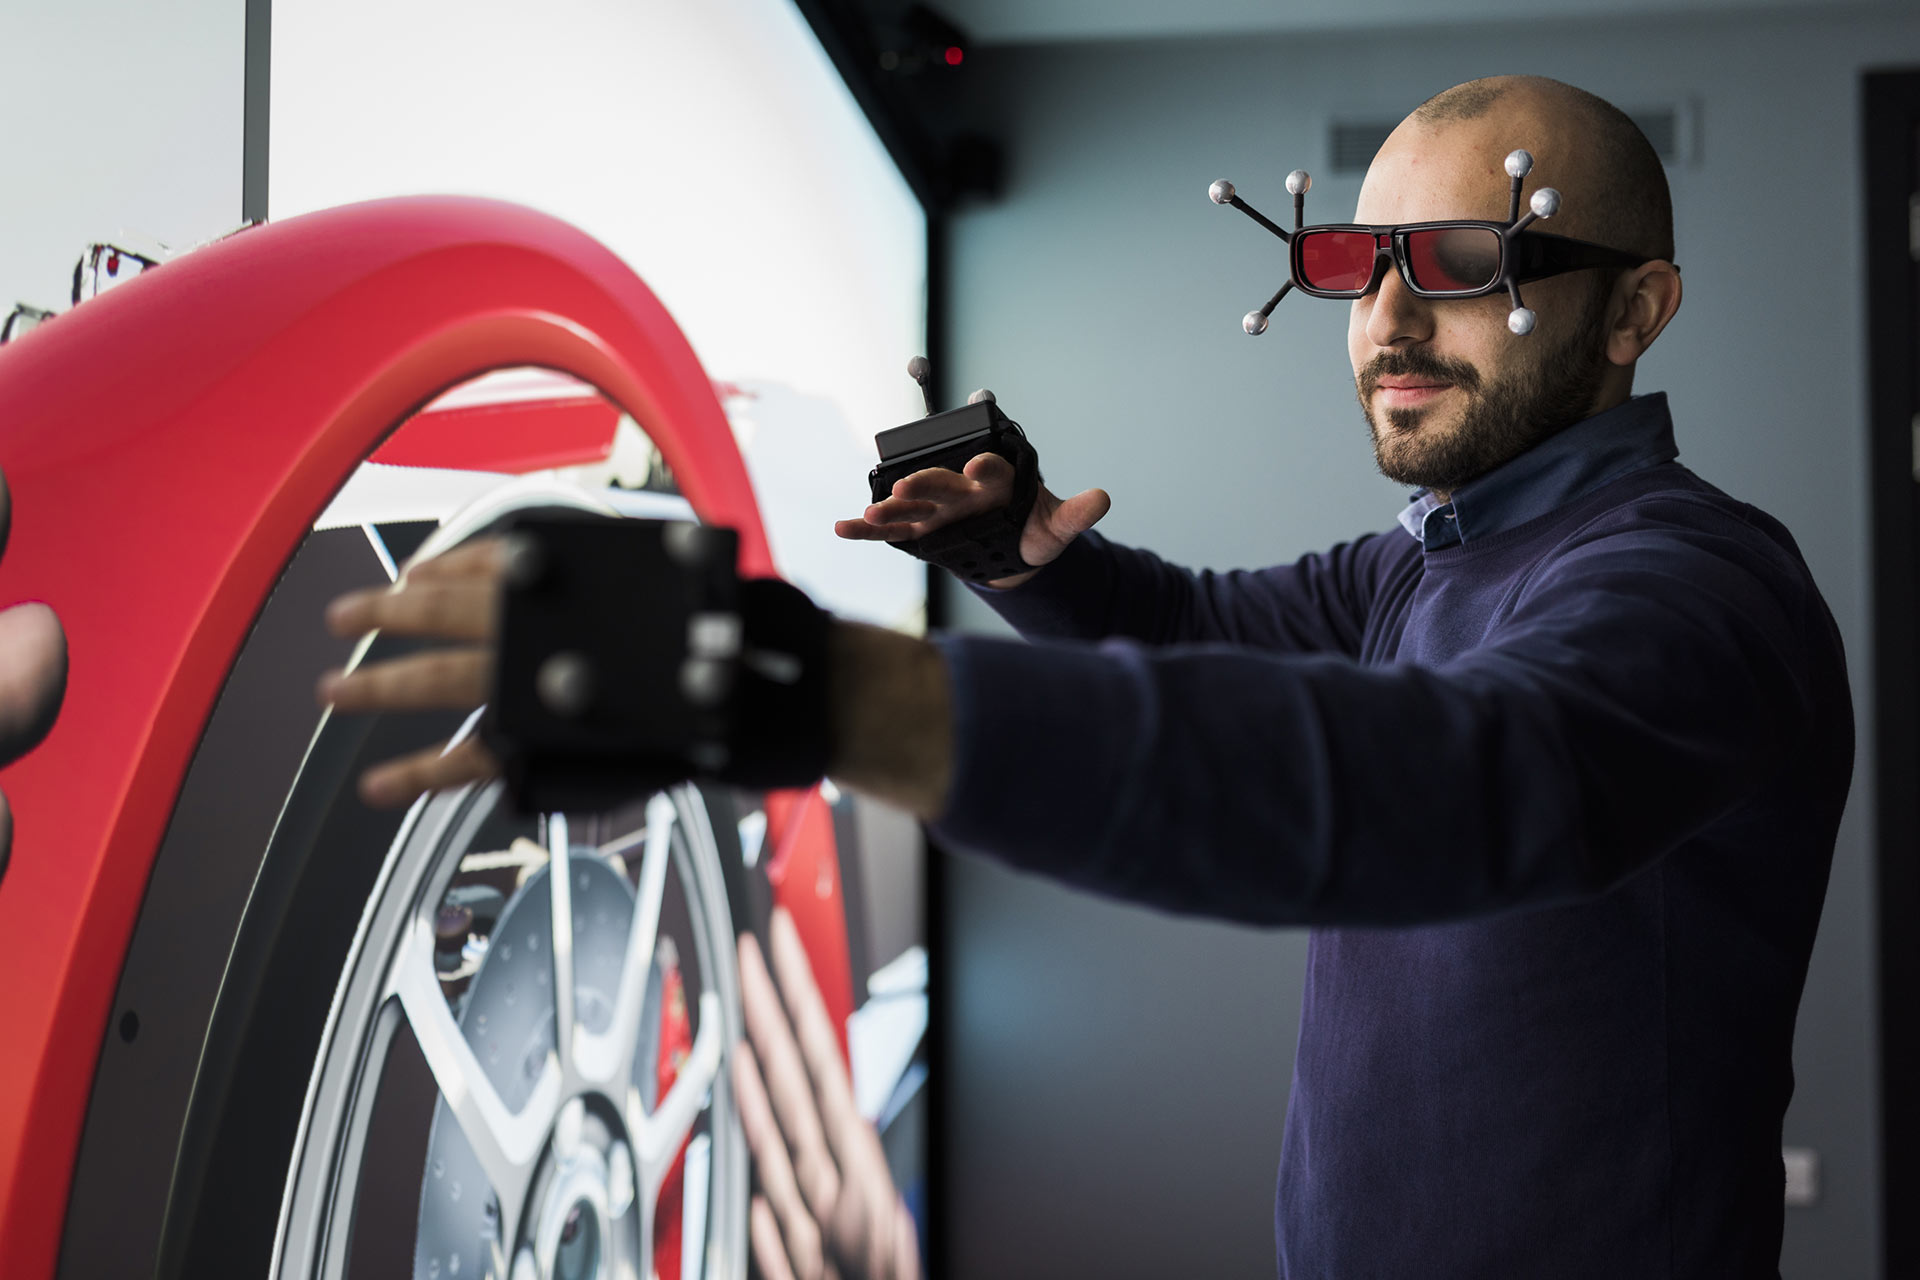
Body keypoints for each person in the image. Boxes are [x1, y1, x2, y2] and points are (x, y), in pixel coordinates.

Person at [319, 76, 1852, 1278]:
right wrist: (1028, 556)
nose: (1386, 322)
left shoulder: (1699, 591)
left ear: (1637, 309)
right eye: (1351, 264)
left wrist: (800, 689)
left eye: (1462, 263)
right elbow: (1203, 632)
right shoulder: (1432, 556)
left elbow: (1452, 778)